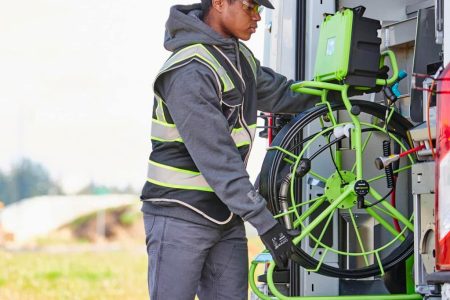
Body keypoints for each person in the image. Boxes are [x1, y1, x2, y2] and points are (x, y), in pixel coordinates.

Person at [140, 0, 318, 299]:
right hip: (179, 216)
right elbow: (219, 161)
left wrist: (338, 92)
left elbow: (281, 94)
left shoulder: (238, 58)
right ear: (220, 3)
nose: (258, 16)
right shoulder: (190, 70)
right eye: (249, 6)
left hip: (225, 215)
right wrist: (267, 225)